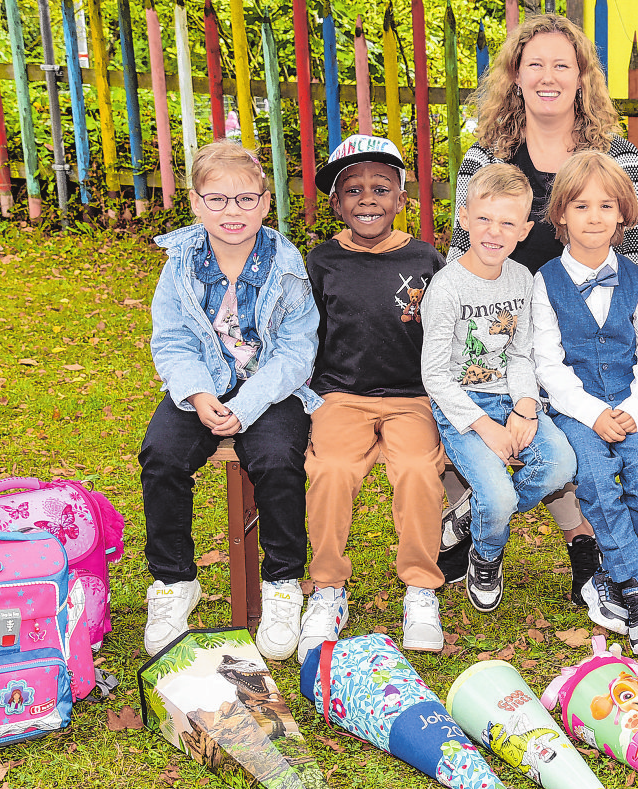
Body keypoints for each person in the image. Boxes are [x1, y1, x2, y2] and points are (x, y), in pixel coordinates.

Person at [442, 13, 638, 604]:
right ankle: (483, 510)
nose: (547, 76)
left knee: (570, 414)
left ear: (582, 77)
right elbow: (461, 258)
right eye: (534, 63)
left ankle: (584, 543)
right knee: (510, 402)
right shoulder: (483, 159)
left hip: (586, 334)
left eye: (562, 65)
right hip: (507, 331)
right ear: (515, 75)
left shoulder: (616, 158)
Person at [140, 141, 320, 660]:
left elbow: (296, 348)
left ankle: (283, 582)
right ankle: (174, 581)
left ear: (266, 203)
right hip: (201, 384)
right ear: (195, 204)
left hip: (270, 387)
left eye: (245, 199)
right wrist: (198, 396)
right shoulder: (180, 265)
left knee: (277, 459)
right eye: (216, 200)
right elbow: (172, 340)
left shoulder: (285, 264)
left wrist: (248, 406)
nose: (231, 212)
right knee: (162, 456)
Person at [300, 134, 446, 661]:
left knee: (416, 471)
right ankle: (327, 589)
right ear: (336, 204)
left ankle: (422, 590)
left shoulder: (425, 258)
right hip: (341, 395)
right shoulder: (321, 261)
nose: (367, 199)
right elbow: (304, 336)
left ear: (401, 199)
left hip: (412, 398)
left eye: (381, 188)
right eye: (353, 190)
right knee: (332, 469)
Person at [532, 151, 638, 654]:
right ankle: (636, 584)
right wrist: (592, 413)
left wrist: (636, 408)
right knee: (592, 476)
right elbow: (547, 365)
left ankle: (614, 578)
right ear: (561, 215)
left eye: (606, 206)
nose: (594, 217)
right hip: (575, 406)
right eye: (581, 206)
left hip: (633, 399)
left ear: (622, 214)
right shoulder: (543, 282)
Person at [421, 163, 577, 613]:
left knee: (561, 464)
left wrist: (526, 407)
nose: (494, 232)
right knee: (500, 492)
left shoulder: (521, 280)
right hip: (462, 406)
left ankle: (471, 514)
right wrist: (484, 426)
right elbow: (435, 374)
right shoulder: (447, 287)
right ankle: (486, 557)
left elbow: (521, 354)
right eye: (484, 219)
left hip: (513, 396)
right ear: (464, 217)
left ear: (525, 230)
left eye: (508, 223)